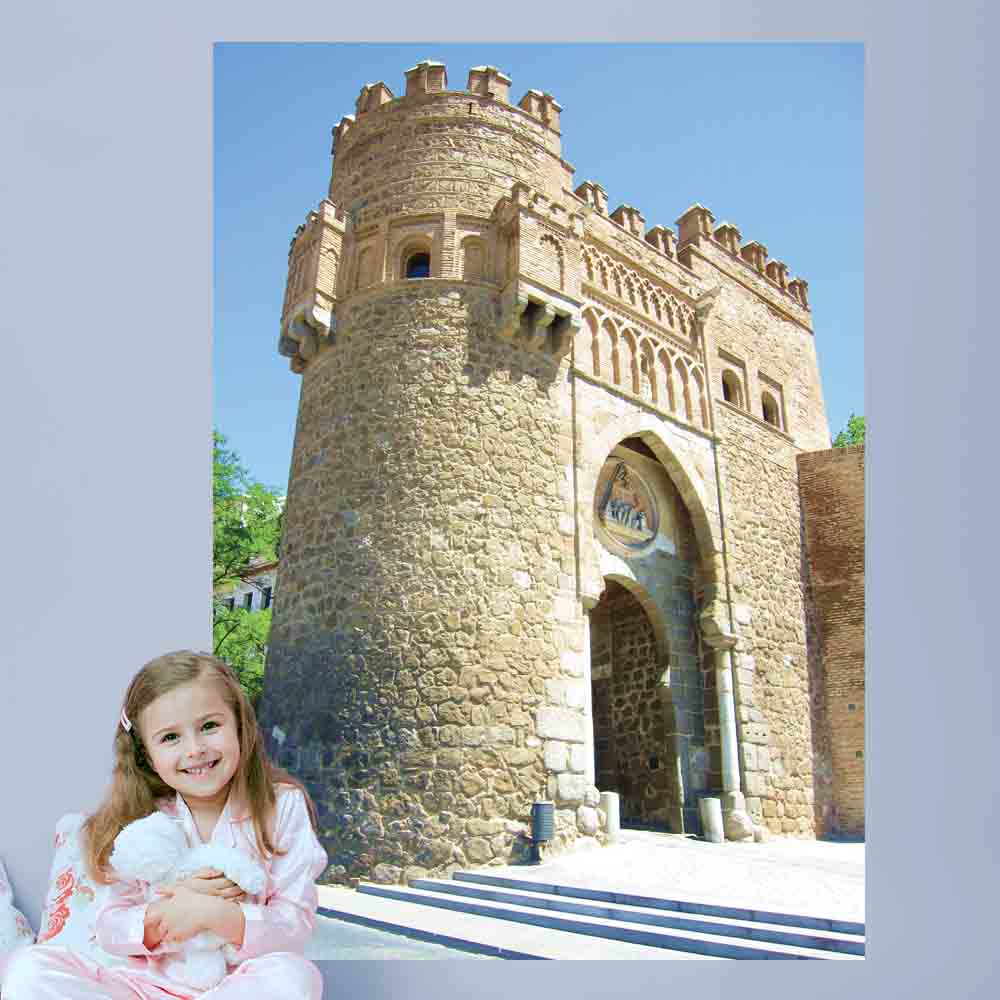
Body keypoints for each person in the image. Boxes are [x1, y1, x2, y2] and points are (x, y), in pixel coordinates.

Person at [3, 650, 327, 999]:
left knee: (294, 976)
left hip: (239, 987)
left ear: (239, 726)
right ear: (148, 756)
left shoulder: (281, 805)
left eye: (209, 726)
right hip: (145, 989)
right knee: (31, 968)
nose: (195, 749)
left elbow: (294, 923)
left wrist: (215, 914)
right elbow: (110, 925)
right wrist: (169, 914)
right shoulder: (142, 817)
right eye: (171, 737)